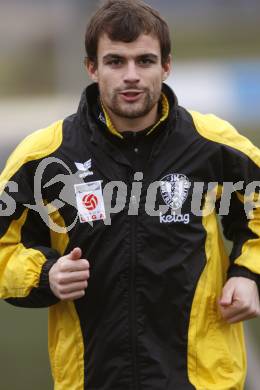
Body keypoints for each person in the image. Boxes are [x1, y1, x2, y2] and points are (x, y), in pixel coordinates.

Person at [0, 0, 259, 389]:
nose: (132, 75)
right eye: (116, 61)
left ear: (166, 65)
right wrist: (45, 274)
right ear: (92, 68)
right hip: (93, 380)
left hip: (202, 380)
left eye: (145, 61)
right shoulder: (44, 158)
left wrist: (247, 274)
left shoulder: (214, 146)